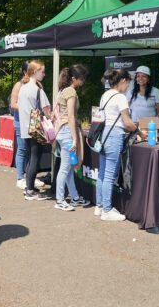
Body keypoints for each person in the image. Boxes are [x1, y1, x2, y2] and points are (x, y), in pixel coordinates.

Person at [96, 69, 139, 221]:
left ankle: (100, 206)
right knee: (109, 175)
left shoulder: (105, 95)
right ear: (123, 81)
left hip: (103, 136)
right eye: (128, 83)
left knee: (102, 173)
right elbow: (127, 122)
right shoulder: (120, 97)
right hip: (114, 135)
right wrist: (138, 130)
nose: (128, 87)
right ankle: (107, 210)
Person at [53, 65, 91, 211]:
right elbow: (70, 116)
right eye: (82, 79)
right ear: (74, 79)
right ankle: (60, 200)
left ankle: (74, 197)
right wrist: (75, 139)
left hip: (62, 132)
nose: (83, 81)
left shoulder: (62, 91)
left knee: (68, 168)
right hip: (67, 133)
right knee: (65, 169)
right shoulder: (70, 92)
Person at [17, 60, 52, 201]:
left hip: (26, 128)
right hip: (36, 128)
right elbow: (47, 111)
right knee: (34, 159)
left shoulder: (23, 88)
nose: (44, 74)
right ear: (35, 72)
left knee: (31, 158)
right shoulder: (38, 90)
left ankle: (29, 187)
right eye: (42, 71)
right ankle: (30, 190)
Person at [10, 61, 43, 190]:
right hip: (21, 122)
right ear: (25, 72)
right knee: (23, 149)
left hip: (34, 123)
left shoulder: (38, 85)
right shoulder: (18, 85)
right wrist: (26, 110)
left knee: (32, 152)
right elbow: (13, 104)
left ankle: (30, 178)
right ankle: (20, 178)